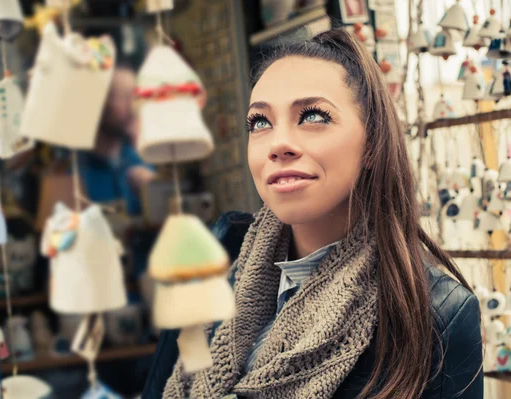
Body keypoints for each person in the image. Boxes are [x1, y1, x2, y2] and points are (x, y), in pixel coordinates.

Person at [142, 30, 483, 399]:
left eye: (313, 116)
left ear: (372, 144)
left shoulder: (437, 314)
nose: (279, 144)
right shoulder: (217, 253)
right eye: (260, 122)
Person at [79, 64, 156, 216]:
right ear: (100, 104)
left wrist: (154, 193)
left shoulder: (142, 162)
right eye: (123, 96)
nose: (132, 106)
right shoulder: (76, 173)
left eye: (134, 97)